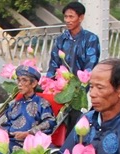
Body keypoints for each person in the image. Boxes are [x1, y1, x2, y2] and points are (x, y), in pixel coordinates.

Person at [46, 2, 100, 133]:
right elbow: (53, 65)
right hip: (61, 89)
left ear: (81, 18)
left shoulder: (91, 39)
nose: (67, 20)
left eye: (71, 17)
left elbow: (90, 67)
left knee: (76, 122)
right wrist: (48, 85)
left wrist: (77, 88)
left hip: (81, 90)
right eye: (66, 17)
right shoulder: (60, 40)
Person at [0, 64, 55, 151]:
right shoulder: (14, 105)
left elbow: (49, 122)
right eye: (18, 80)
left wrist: (28, 133)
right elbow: (4, 125)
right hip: (11, 140)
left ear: (33, 84)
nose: (20, 84)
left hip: (29, 144)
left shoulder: (42, 104)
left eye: (24, 81)